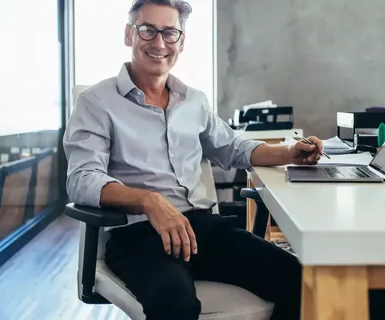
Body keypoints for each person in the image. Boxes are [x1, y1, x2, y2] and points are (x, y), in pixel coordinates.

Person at [63, 0, 324, 319]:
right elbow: (82, 180)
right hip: (139, 236)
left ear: (181, 42)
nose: (159, 43)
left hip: (201, 227)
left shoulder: (194, 101)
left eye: (170, 33)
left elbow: (234, 148)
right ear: (129, 35)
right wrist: (150, 202)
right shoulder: (96, 102)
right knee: (175, 304)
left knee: (300, 280)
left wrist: (289, 153)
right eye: (147, 30)